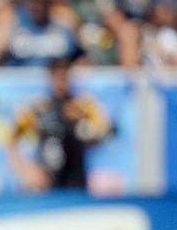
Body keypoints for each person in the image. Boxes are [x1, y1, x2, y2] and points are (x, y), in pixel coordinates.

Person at [8, 57, 111, 191]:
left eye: (65, 78)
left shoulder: (83, 105)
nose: (62, 83)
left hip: (76, 182)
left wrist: (82, 123)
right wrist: (27, 171)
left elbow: (103, 133)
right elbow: (10, 141)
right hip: (47, 184)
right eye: (58, 78)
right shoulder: (39, 107)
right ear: (50, 79)